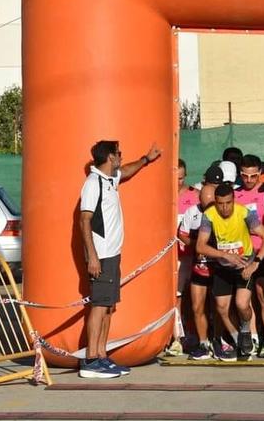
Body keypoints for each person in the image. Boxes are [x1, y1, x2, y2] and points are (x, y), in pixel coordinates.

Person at [78, 140, 160, 378]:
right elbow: (84, 220)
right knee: (98, 306)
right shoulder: (93, 183)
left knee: (108, 308)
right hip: (101, 255)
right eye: (119, 154)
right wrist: (92, 257)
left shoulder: (109, 179)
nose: (122, 158)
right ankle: (91, 360)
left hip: (112, 254)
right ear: (110, 157)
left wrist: (146, 158)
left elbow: (126, 171)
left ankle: (102, 355)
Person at [195, 183, 264, 361]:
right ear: (216, 202)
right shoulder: (209, 216)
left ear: (234, 200)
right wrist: (224, 255)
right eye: (220, 203)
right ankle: (238, 340)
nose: (224, 207)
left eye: (228, 203)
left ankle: (245, 329)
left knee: (242, 304)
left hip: (245, 265)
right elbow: (200, 246)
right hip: (223, 266)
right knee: (221, 308)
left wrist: (256, 264)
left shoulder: (244, 213)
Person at [234, 155, 264, 357]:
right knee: (245, 298)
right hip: (243, 255)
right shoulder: (236, 195)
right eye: (245, 176)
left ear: (260, 173)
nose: (249, 180)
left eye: (253, 176)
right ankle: (251, 336)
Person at [180, 166, 221, 360]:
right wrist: (196, 245)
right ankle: (203, 342)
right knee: (198, 306)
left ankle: (219, 340)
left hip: (219, 268)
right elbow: (182, 234)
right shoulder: (191, 212)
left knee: (219, 306)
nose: (206, 207)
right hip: (199, 267)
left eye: (210, 203)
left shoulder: (223, 213)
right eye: (203, 203)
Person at [168, 158, 201, 357]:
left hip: (192, 256)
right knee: (176, 297)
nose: (178, 182)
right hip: (172, 258)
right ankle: (177, 337)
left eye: (181, 178)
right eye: (174, 177)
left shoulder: (194, 195)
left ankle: (196, 334)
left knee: (195, 298)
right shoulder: (164, 194)